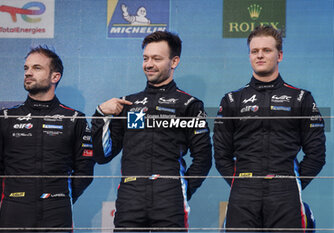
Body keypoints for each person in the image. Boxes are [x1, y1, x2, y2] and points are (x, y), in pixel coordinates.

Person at [92, 31, 212, 231]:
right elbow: (102, 155)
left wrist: (181, 190)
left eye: (157, 59)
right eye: (145, 58)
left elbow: (204, 157)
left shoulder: (188, 104)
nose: (148, 64)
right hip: (130, 195)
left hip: (170, 196)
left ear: (174, 62)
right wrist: (100, 115)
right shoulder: (129, 104)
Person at [213, 25, 326, 232]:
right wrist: (241, 183)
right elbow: (221, 155)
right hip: (243, 192)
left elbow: (317, 154)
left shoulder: (301, 98)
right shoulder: (232, 100)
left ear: (280, 55)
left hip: (285, 192)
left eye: (267, 50)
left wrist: (292, 184)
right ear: (249, 56)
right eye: (254, 51)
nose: (260, 56)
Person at [0, 46, 95, 232]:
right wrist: (13, 197)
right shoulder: (6, 117)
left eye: (37, 68)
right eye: (26, 68)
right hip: (14, 210)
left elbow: (85, 170)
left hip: (57, 211)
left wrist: (60, 197)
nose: (28, 73)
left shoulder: (75, 119)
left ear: (55, 77)